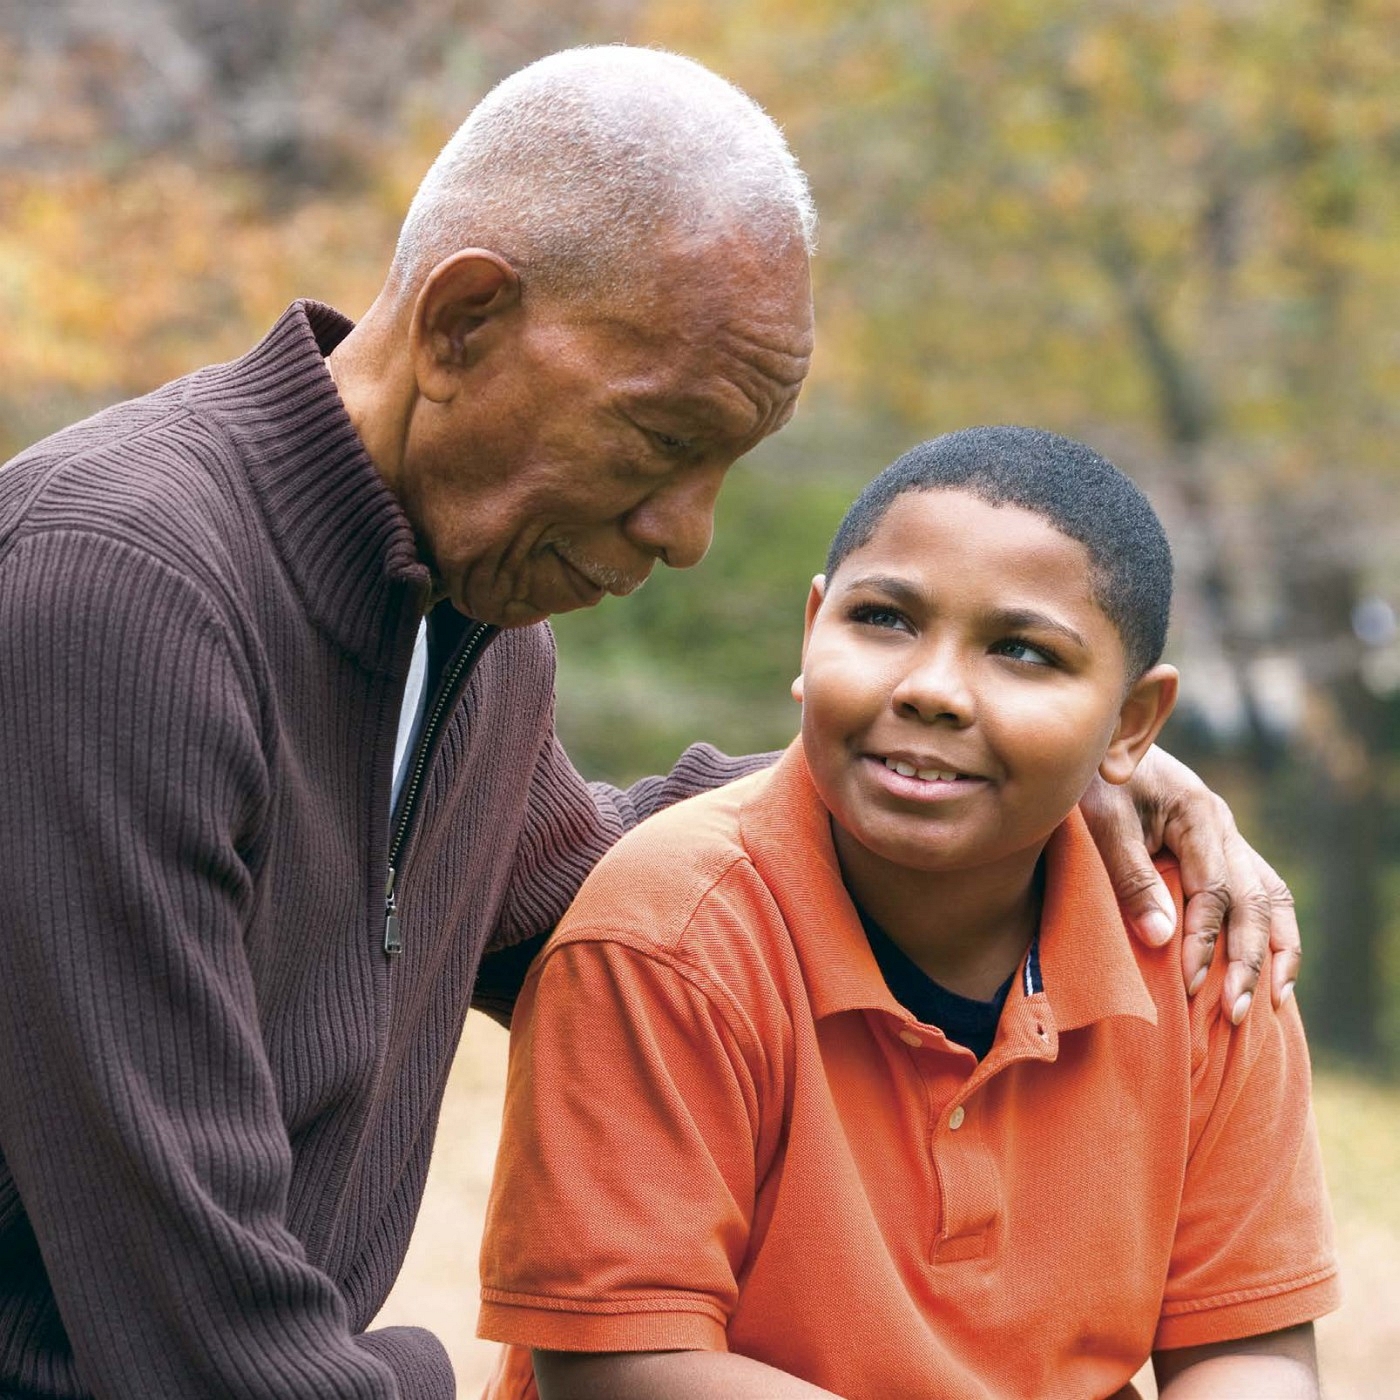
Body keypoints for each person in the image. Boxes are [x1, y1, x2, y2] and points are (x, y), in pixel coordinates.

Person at [0, 45, 1296, 1400]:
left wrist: (1026, 771)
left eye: (727, 466)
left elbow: (610, 883)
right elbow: (188, 1329)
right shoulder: (121, 587)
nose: (687, 533)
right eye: (658, 443)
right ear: (463, 324)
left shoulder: (469, 634)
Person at [477, 427, 1339, 1400]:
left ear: (1131, 723)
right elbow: (619, 1369)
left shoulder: (1202, 947)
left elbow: (1247, 1345)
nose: (930, 688)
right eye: (883, 618)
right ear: (811, 632)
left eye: (1022, 651)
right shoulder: (663, 932)